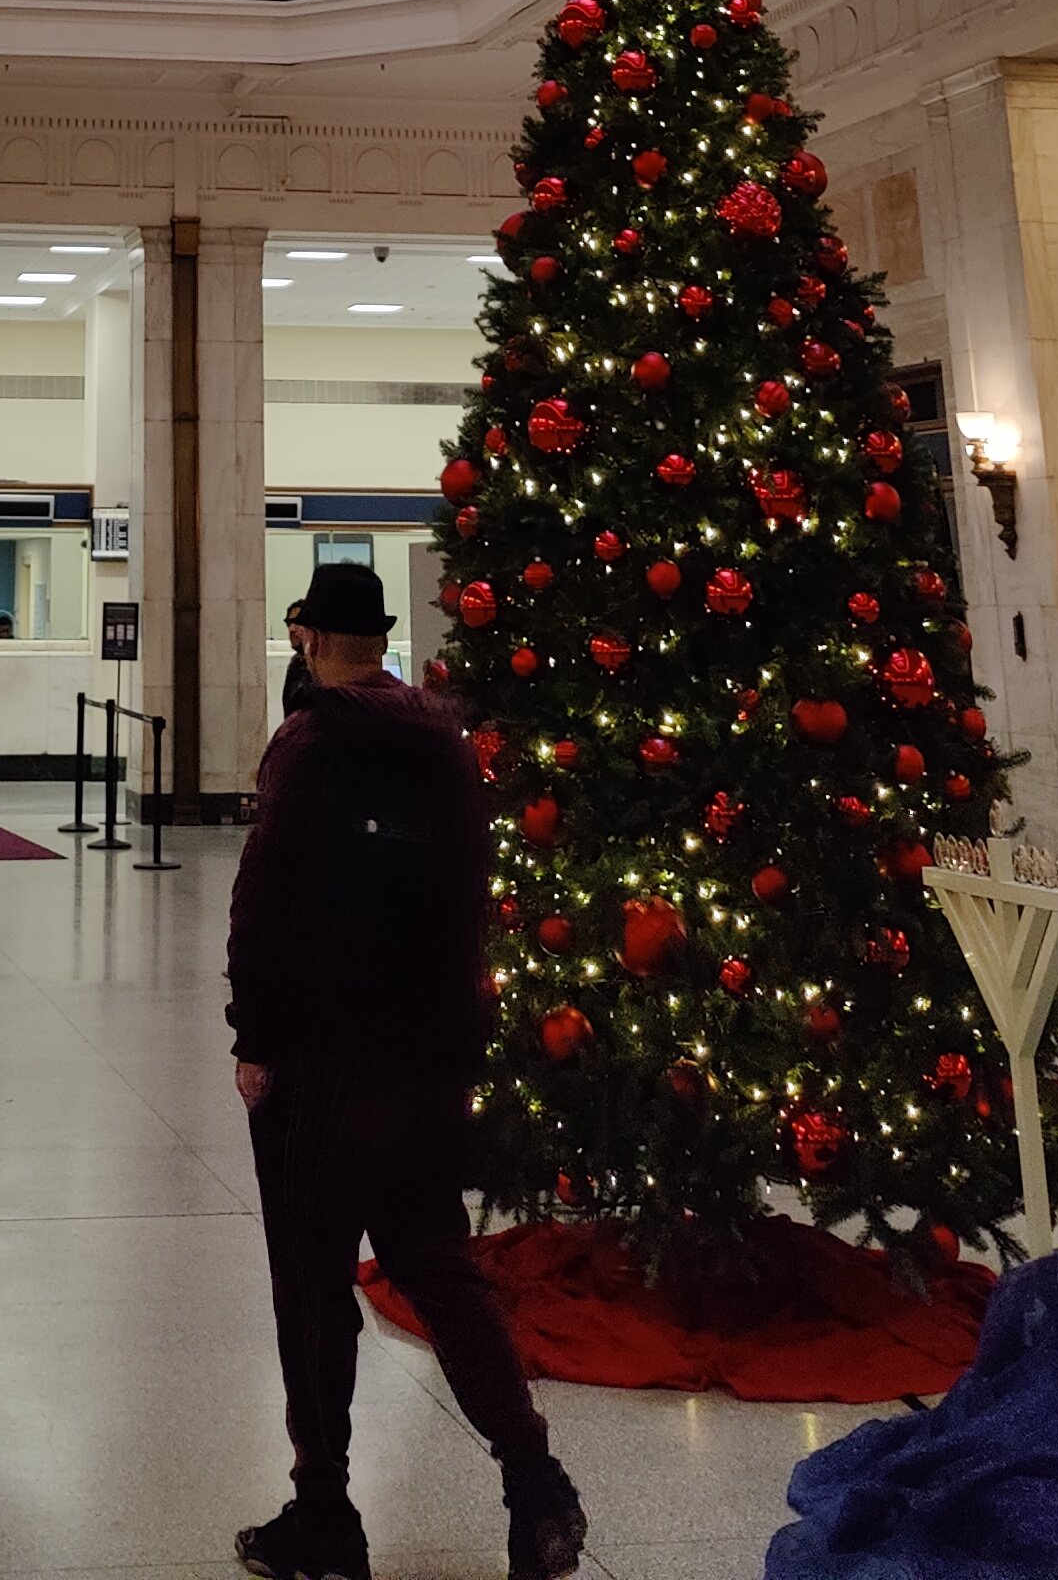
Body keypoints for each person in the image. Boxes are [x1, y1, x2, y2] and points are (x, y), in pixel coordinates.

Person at [226, 559, 585, 1580]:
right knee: (439, 1268)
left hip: (322, 1059)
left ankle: (326, 1515)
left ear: (307, 637)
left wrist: (255, 1038)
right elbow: (470, 894)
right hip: (424, 1056)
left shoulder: (309, 741)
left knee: (312, 1288)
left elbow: (265, 903)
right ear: (382, 638)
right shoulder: (445, 740)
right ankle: (536, 1487)